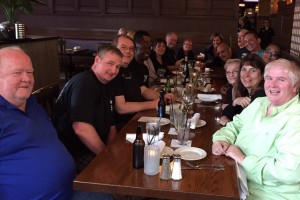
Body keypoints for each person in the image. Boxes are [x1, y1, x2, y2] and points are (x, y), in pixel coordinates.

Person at [212, 58, 300, 200]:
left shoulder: (296, 119)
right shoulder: (260, 102)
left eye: (281, 79)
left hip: (267, 195)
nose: (273, 84)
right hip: (237, 180)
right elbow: (235, 125)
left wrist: (243, 159)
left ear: (295, 86)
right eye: (269, 78)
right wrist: (221, 139)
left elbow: (288, 172)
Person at [0, 46, 75, 199]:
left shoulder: (32, 103)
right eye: (17, 72)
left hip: (72, 189)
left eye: (30, 72)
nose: (27, 78)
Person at [52, 45, 123, 173]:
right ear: (97, 60)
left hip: (94, 147)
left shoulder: (107, 84)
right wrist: (106, 155)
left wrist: (112, 150)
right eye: (110, 64)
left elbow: (111, 125)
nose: (114, 70)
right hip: (74, 152)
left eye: (118, 67)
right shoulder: (85, 84)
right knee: (120, 173)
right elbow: (81, 129)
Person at [111, 34, 173, 130]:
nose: (128, 51)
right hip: (124, 125)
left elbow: (143, 90)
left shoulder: (130, 69)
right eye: (123, 47)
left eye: (131, 48)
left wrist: (162, 96)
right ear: (114, 49)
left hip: (140, 117)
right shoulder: (112, 72)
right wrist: (152, 104)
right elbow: (121, 108)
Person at [221, 54, 266, 125]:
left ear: (262, 75)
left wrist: (228, 123)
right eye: (243, 69)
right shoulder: (245, 92)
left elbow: (249, 129)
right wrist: (235, 102)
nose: (246, 74)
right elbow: (225, 114)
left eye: (253, 70)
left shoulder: (260, 96)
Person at [219, 59, 240, 126]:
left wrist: (228, 124)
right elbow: (226, 114)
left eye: (235, 71)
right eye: (228, 72)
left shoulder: (245, 91)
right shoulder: (231, 90)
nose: (231, 75)